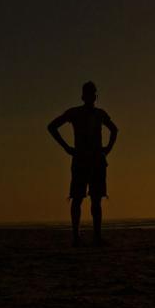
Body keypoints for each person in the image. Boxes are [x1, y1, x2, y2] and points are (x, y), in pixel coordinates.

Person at [48, 81, 119, 246]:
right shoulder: (75, 113)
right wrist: (67, 147)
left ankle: (95, 236)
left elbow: (114, 130)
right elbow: (52, 126)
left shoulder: (100, 114)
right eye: (89, 93)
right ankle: (76, 236)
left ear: (95, 96)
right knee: (78, 198)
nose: (91, 96)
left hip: (95, 160)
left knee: (95, 199)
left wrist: (107, 149)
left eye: (93, 93)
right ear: (83, 96)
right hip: (81, 159)